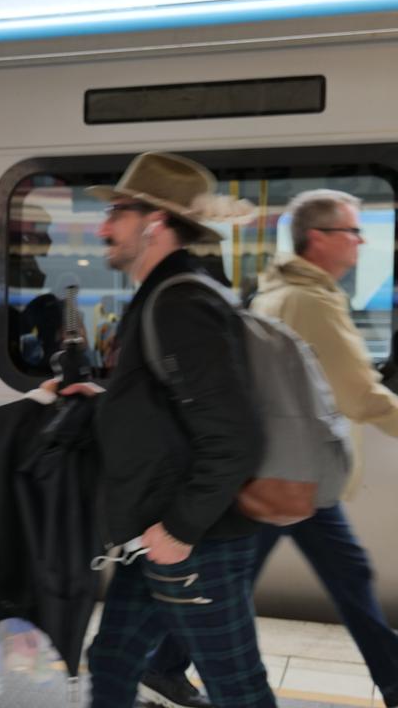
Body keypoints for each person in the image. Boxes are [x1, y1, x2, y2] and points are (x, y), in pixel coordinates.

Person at [143, 189, 398, 708]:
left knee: (252, 574)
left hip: (279, 468)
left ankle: (163, 664)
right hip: (295, 474)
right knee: (347, 577)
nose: (360, 241)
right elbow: (359, 394)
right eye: (352, 231)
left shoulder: (278, 290)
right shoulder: (310, 301)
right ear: (320, 238)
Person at [65, 152, 276, 708]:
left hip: (192, 543)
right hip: (156, 535)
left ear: (154, 222)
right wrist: (107, 401)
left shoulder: (180, 302)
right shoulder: (165, 293)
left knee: (239, 689)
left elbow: (235, 437)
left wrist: (179, 530)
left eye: (116, 212)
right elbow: (175, 404)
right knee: (111, 659)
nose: (104, 227)